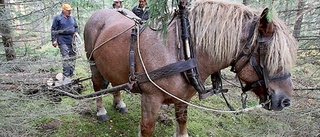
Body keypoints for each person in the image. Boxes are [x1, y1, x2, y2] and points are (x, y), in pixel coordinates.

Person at [51, 3, 79, 82]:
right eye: (68, 10)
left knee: (73, 56)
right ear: (63, 10)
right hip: (62, 39)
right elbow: (53, 29)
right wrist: (54, 40)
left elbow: (76, 27)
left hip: (72, 39)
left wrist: (76, 32)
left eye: (70, 10)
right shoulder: (58, 18)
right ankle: (66, 75)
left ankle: (71, 72)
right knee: (66, 57)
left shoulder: (72, 18)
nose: (69, 12)